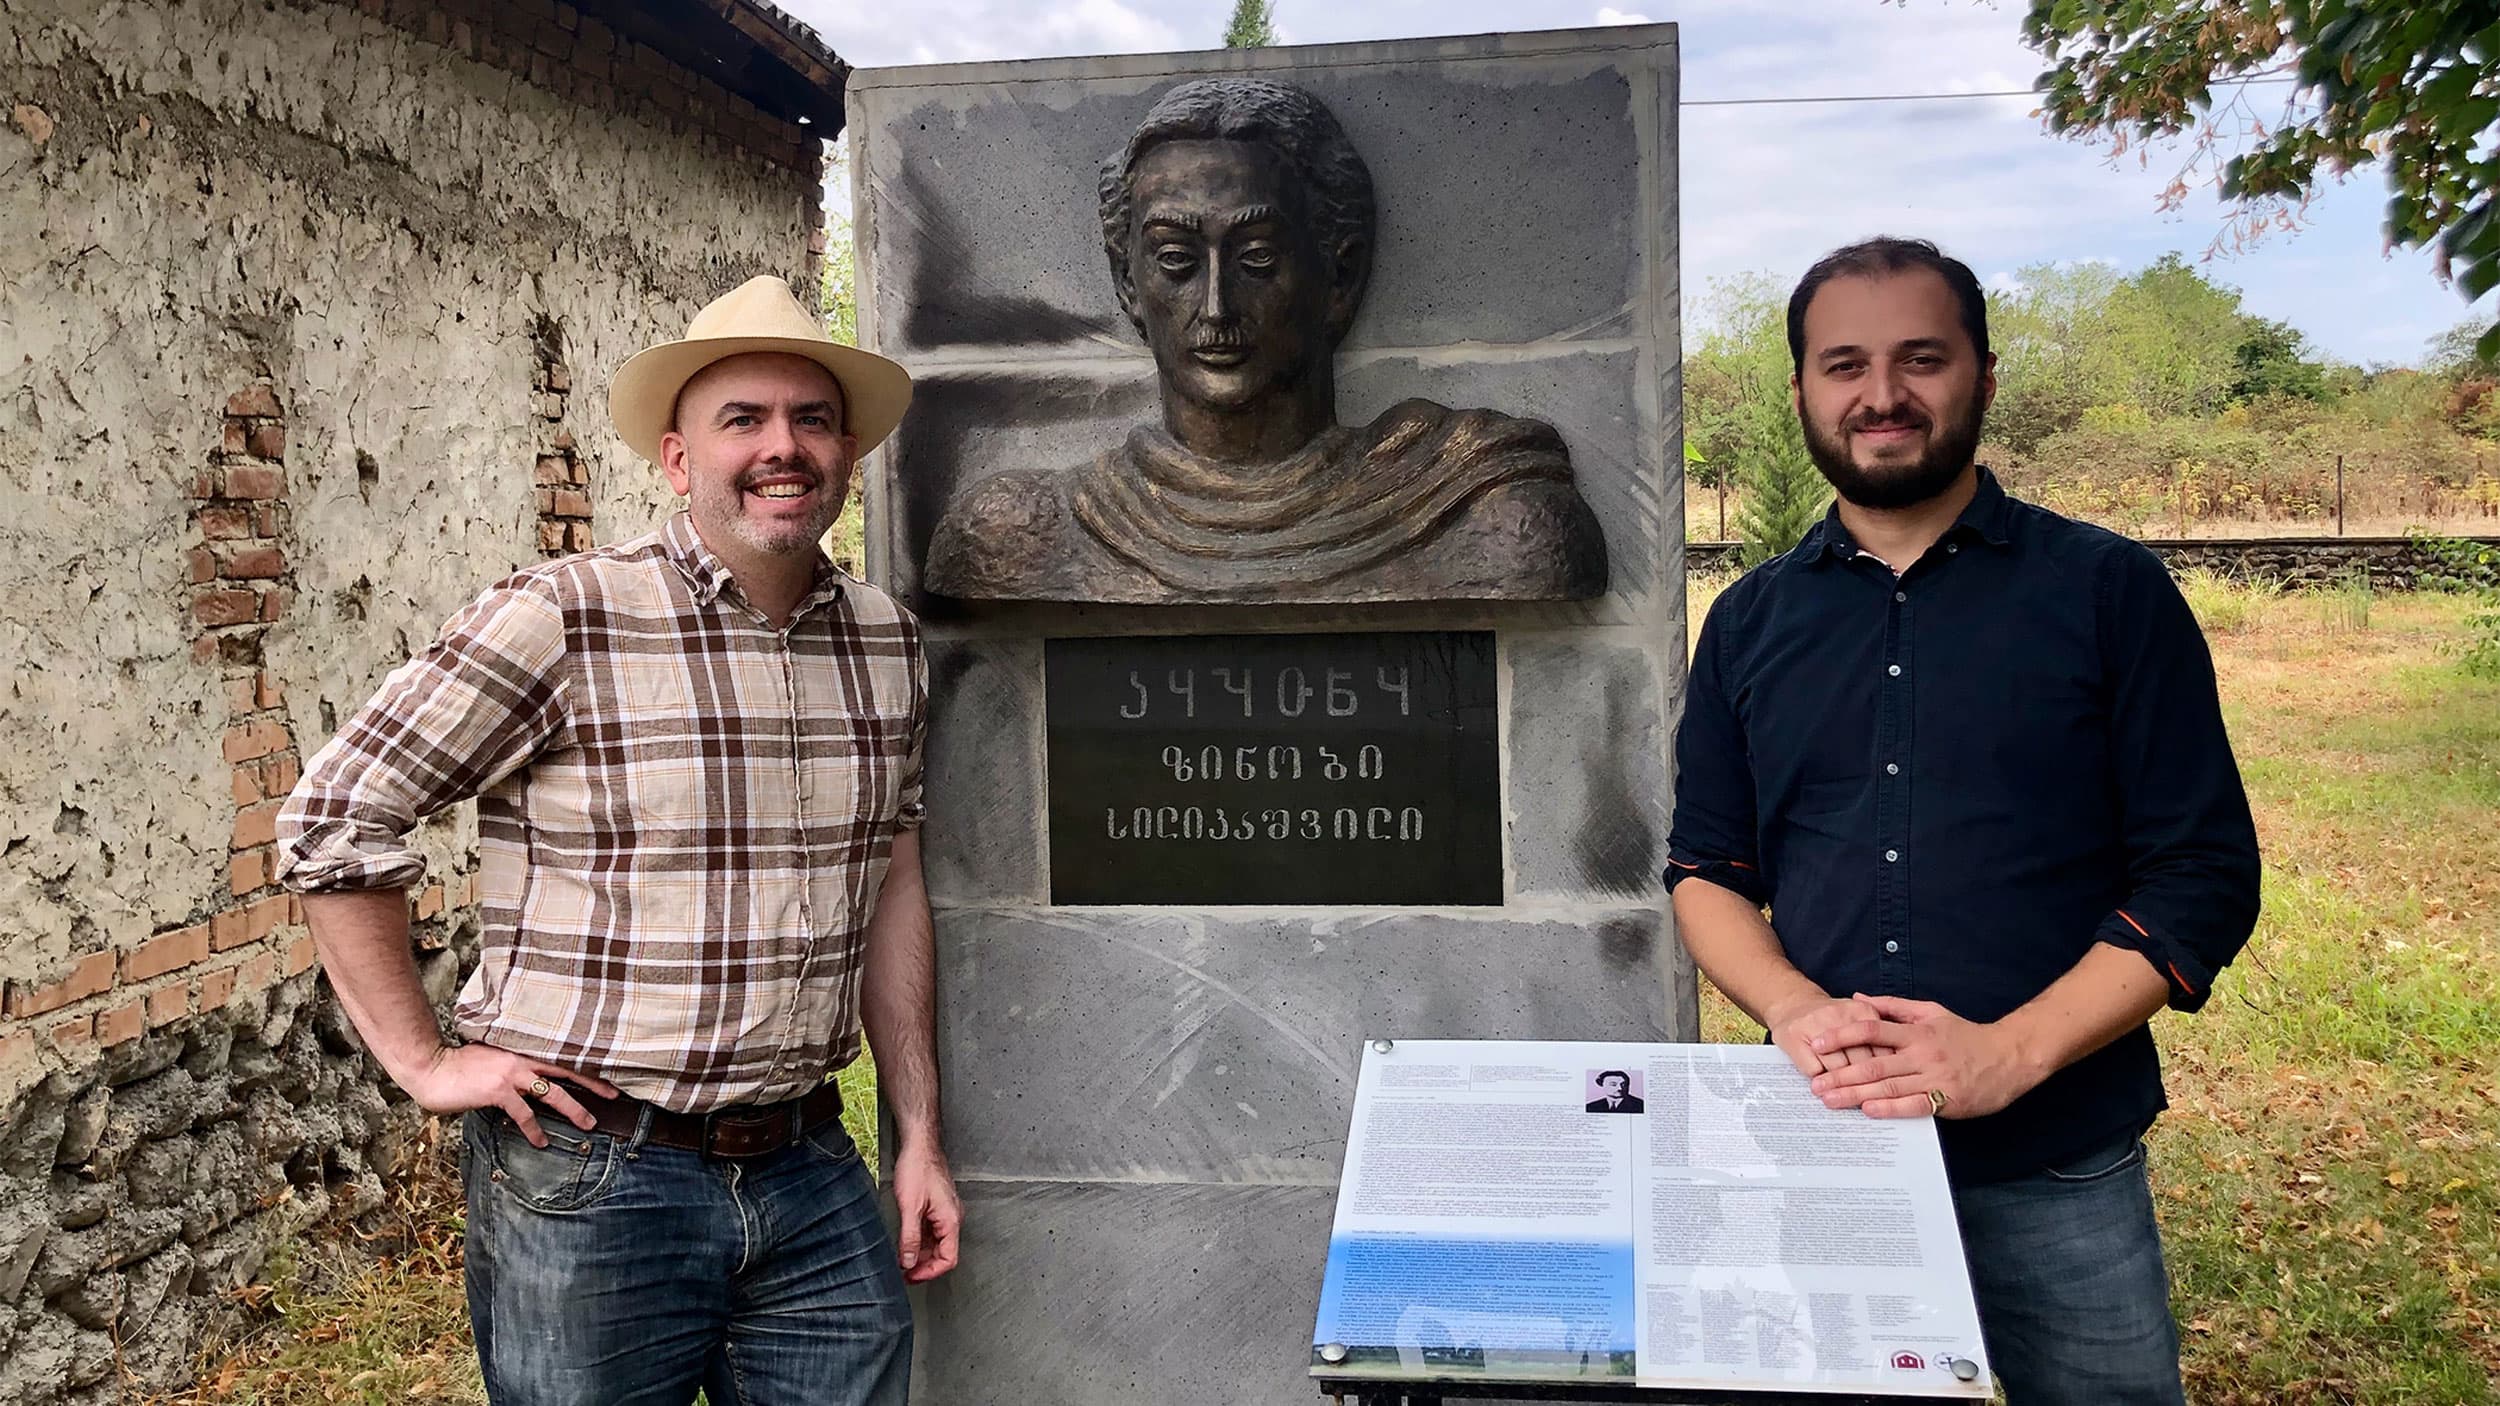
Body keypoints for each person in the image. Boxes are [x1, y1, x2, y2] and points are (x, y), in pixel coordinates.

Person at [277, 275, 960, 1406]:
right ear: (679, 457)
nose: (781, 446)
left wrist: (917, 1133)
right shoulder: (565, 614)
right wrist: (423, 1061)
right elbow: (338, 811)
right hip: (595, 1175)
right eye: (742, 418)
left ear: (845, 450)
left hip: (811, 1177)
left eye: (811, 418)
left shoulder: (886, 642)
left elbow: (892, 883)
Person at [1664, 237, 2259, 1406]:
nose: (1879, 394)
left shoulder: (2105, 592)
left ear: (1984, 375)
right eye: (1843, 364)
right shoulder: (1746, 623)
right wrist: (1792, 1006)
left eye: (1919, 358)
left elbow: (2199, 872)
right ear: (1801, 391)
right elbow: (1707, 868)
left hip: (2057, 1162)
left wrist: (2005, 1050)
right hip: (1825, 1154)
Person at [924, 76, 1606, 604]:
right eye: (1176, 261)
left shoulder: (1486, 518)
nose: (1215, 307)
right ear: (1128, 284)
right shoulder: (1021, 537)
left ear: (1338, 275)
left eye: (1255, 261)